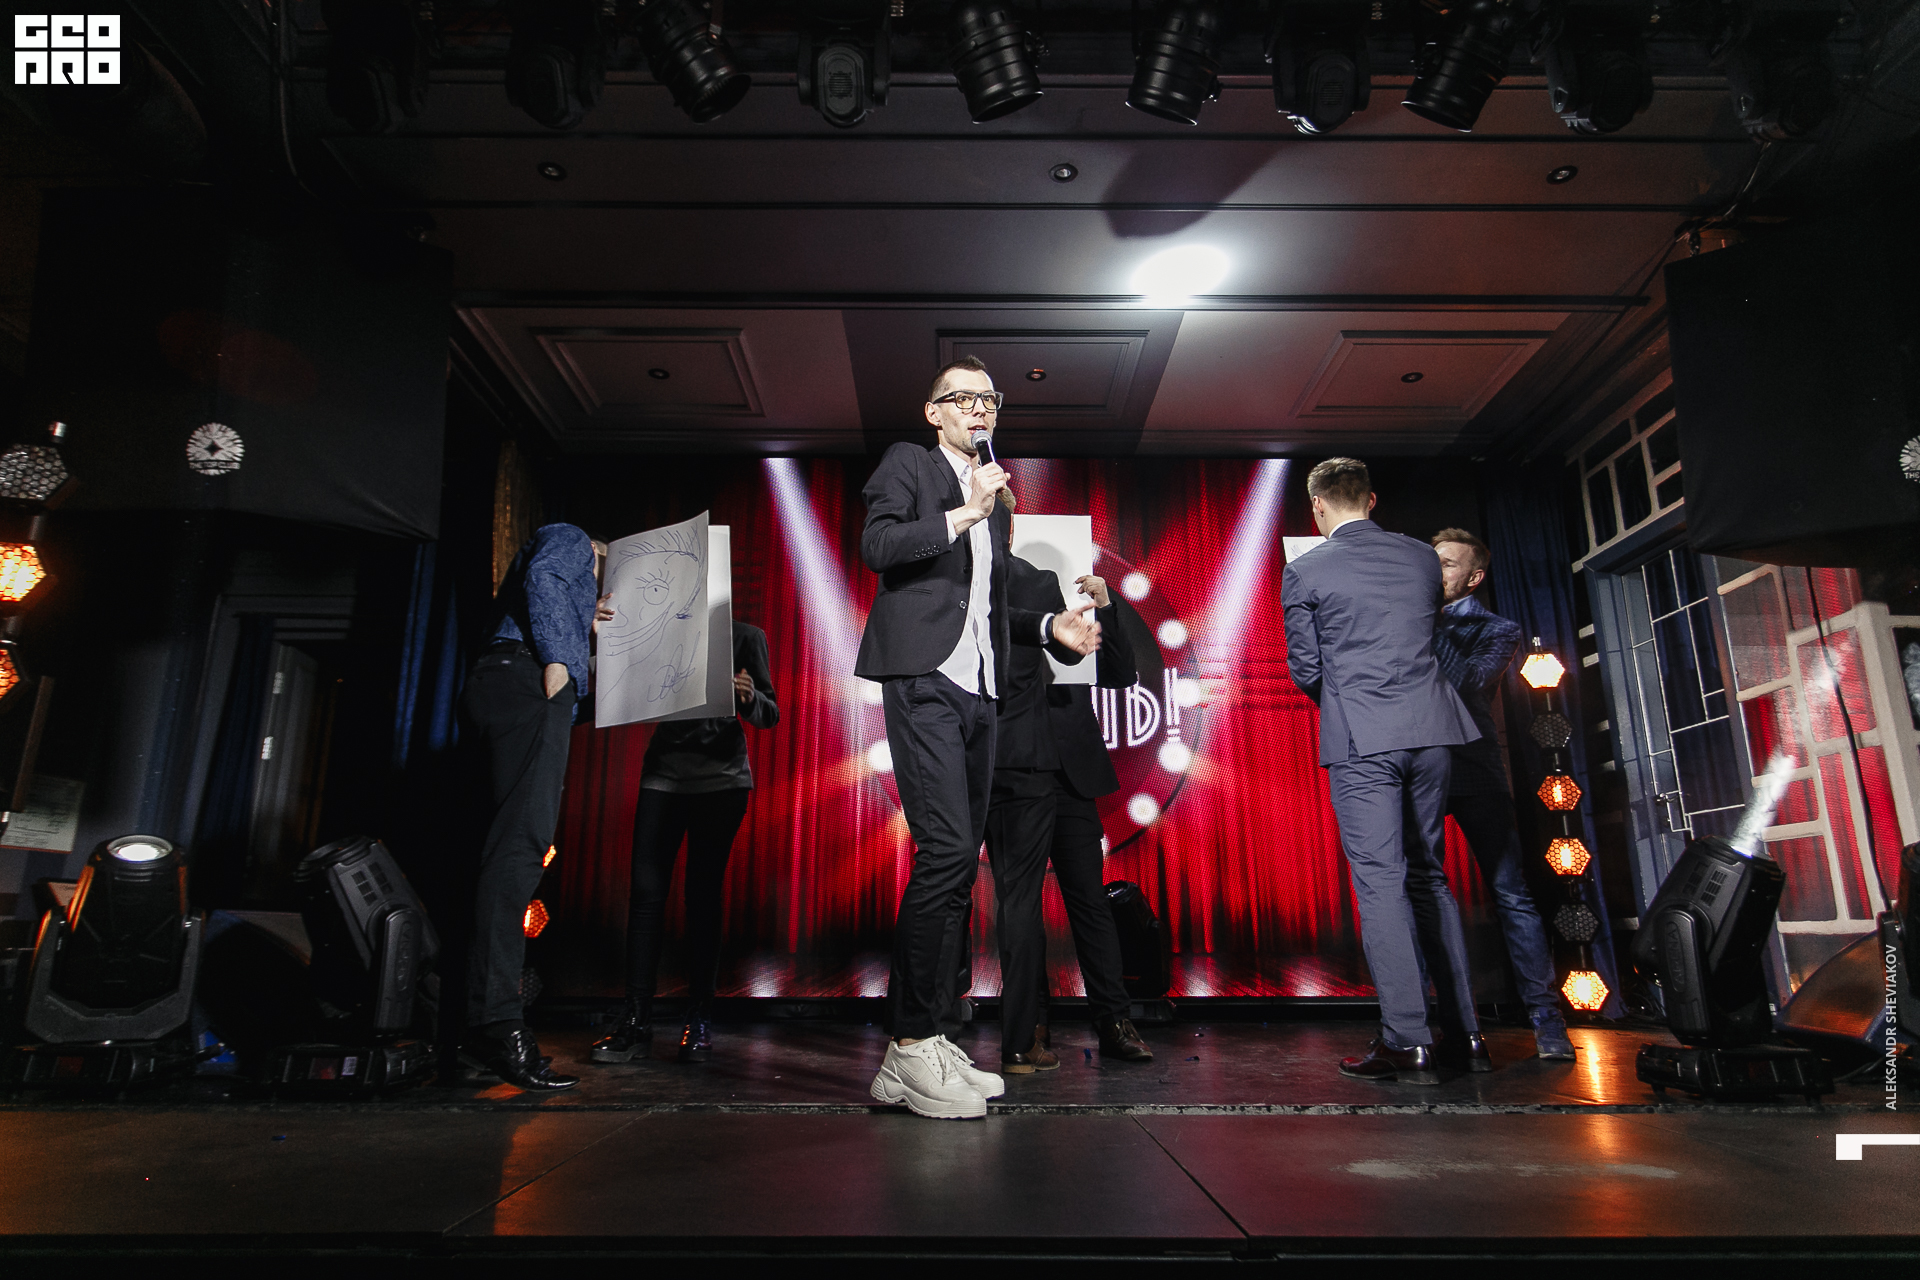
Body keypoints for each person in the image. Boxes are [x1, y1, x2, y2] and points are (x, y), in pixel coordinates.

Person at [857, 355, 1101, 1120]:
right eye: (961, 398)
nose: (979, 408)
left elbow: (990, 604)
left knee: (961, 867)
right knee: (947, 853)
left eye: (988, 399)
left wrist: (1049, 627)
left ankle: (922, 1040)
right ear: (934, 413)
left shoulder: (996, 501)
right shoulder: (912, 465)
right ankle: (909, 1041)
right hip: (923, 678)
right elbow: (879, 547)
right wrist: (964, 511)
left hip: (981, 691)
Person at [1281, 458, 1482, 1085]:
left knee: (1381, 883)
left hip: (1364, 737)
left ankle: (1407, 1039)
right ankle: (1466, 1034)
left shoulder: (1306, 568)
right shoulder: (1423, 558)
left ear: (1318, 507)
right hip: (1433, 731)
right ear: (1371, 499)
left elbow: (1305, 668)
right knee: (1430, 876)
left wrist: (1353, 705)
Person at [984, 536, 1153, 1073]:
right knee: (1021, 904)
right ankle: (1030, 1023)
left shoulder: (1070, 602)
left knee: (1090, 902)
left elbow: (1121, 674)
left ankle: (1115, 1020)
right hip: (1013, 766)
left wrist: (1105, 606)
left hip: (1070, 770)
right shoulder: (983, 588)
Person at [457, 522, 611, 1092]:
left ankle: (469, 1028)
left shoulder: (567, 597)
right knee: (519, 851)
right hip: (525, 680)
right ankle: (497, 1026)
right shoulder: (575, 539)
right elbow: (545, 577)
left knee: (495, 853)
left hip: (501, 682)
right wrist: (562, 662)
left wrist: (583, 628)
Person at [589, 619, 779, 1067]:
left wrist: (749, 698)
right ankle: (636, 1020)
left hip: (722, 781)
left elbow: (770, 713)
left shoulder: (745, 636)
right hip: (664, 775)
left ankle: (700, 1017)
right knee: (646, 897)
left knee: (702, 897)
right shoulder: (663, 627)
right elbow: (622, 678)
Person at [1430, 529, 1577, 1061]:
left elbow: (1465, 681)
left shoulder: (1497, 629)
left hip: (1475, 769)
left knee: (1511, 892)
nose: (1435, 572)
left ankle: (1547, 1019)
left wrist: (1423, 622)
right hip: (1421, 769)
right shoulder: (1407, 620)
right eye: (1432, 562)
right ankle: (1450, 1023)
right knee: (1422, 892)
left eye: (1447, 565)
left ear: (1474, 577)